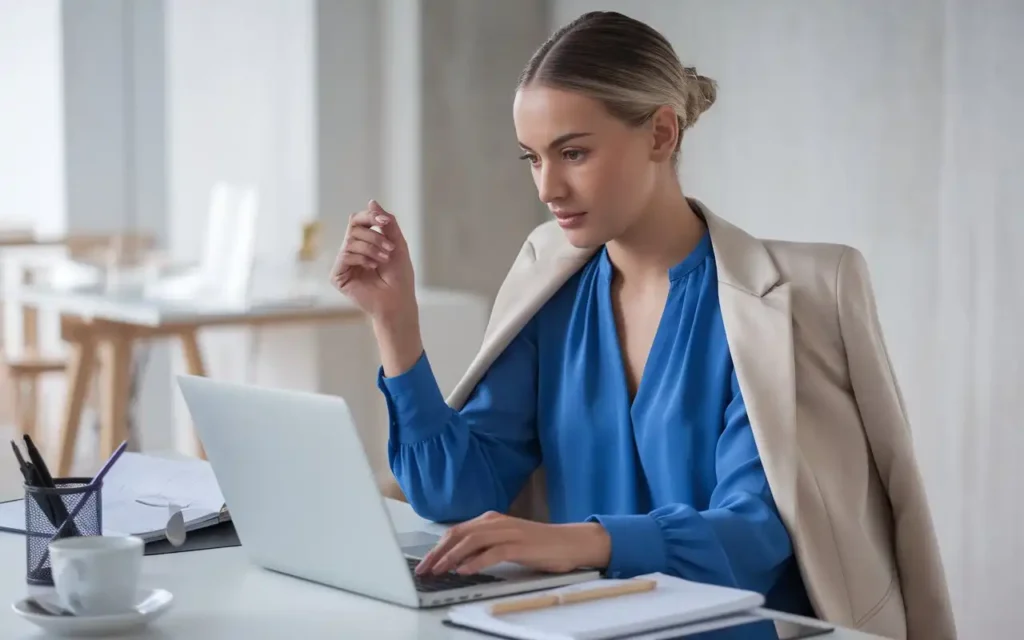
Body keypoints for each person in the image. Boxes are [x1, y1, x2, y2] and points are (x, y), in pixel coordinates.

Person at [330, 11, 955, 640]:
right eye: (533, 158)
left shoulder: (779, 302)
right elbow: (455, 494)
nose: (548, 186)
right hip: (578, 625)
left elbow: (759, 529)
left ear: (661, 132)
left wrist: (577, 542)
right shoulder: (550, 285)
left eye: (573, 152)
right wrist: (396, 323)